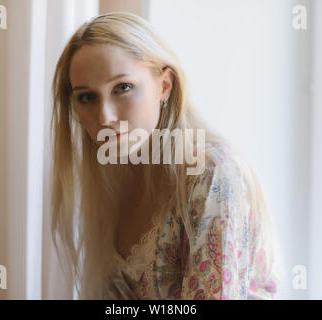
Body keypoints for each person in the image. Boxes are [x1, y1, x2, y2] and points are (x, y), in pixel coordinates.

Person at [50, 11, 283, 300]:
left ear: (164, 85)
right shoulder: (109, 180)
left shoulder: (210, 172)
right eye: (87, 97)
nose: (104, 116)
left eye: (123, 88)